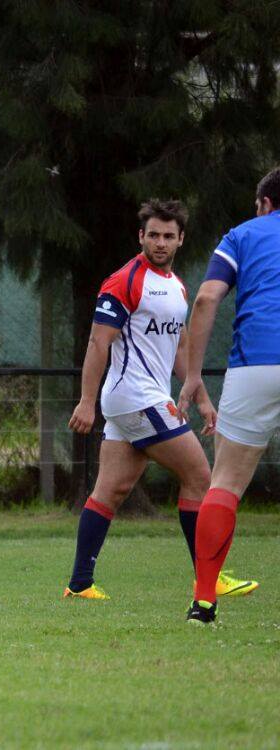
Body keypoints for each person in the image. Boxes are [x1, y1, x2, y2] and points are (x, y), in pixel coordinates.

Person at [64, 200, 258, 602]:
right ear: (141, 236)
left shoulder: (178, 287)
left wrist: (202, 399)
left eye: (169, 236)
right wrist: (86, 401)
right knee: (201, 478)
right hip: (134, 397)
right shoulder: (124, 281)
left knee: (110, 491)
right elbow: (99, 342)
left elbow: (179, 351)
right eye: (153, 234)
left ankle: (80, 583)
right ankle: (210, 576)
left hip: (139, 400)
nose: (160, 242)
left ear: (181, 240)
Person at [177, 166, 280, 624]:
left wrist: (193, 375)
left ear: (264, 204)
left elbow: (205, 299)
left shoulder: (240, 235)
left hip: (254, 364)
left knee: (225, 485)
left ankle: (203, 602)